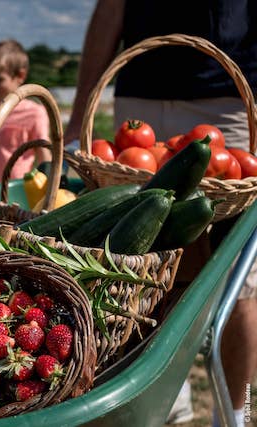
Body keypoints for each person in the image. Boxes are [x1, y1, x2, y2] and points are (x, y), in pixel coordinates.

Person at [64, 1, 257, 426]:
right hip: (143, 93)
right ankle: (169, 395)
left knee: (240, 279)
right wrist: (80, 110)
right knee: (155, 267)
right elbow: (111, 8)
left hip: (229, 93)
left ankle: (240, 412)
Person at [0, 39, 50, 190]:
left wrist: (48, 187)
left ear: (20, 76)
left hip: (16, 190)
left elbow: (44, 154)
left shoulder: (34, 113)